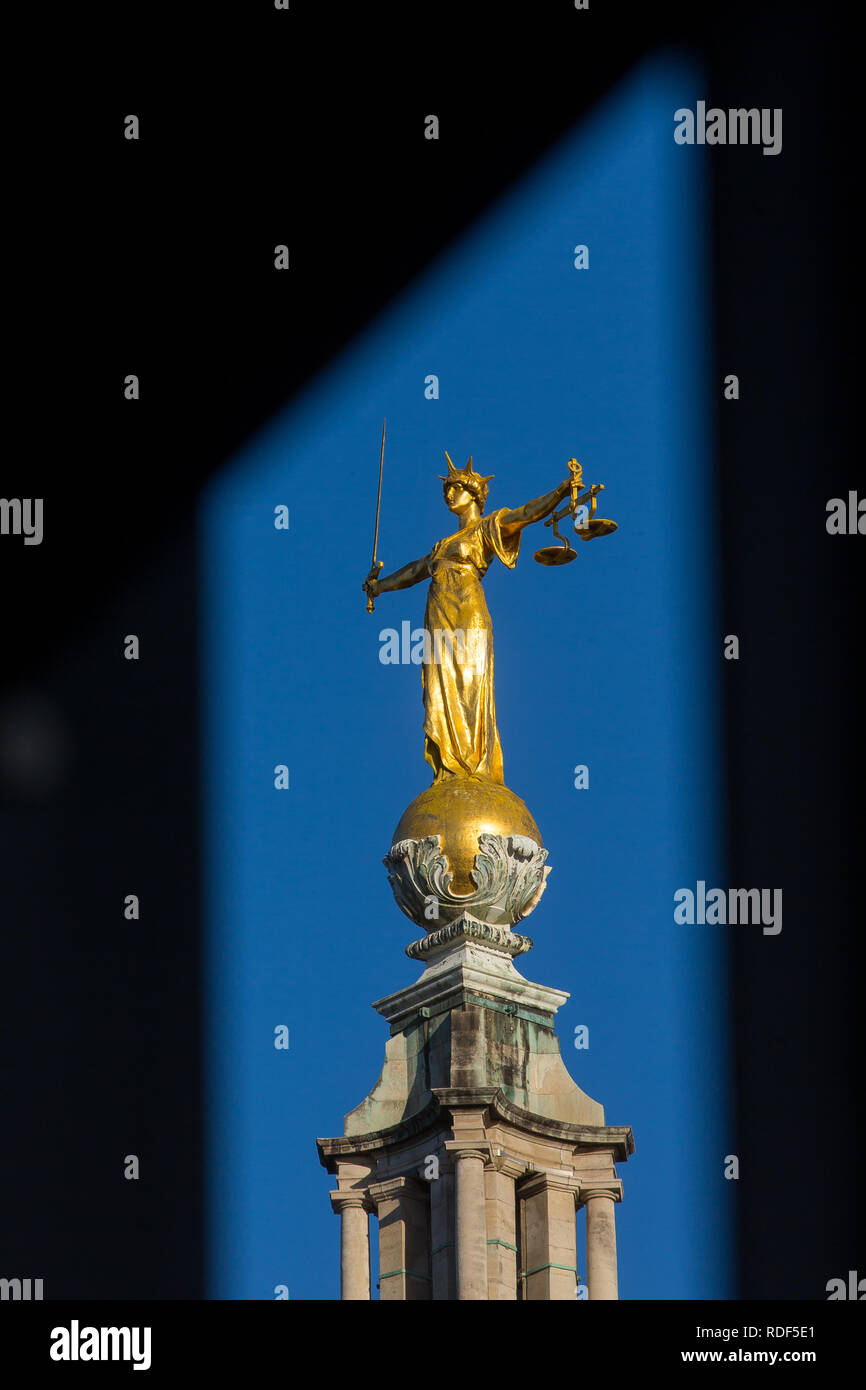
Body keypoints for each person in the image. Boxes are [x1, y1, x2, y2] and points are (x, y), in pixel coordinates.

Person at [363, 455, 574, 783]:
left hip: (468, 611)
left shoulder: (488, 526)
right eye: (447, 489)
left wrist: (561, 490)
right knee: (439, 685)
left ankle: (475, 765)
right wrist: (379, 586)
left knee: (470, 682)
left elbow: (528, 513)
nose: (449, 494)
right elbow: (415, 572)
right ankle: (448, 767)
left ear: (475, 494)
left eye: (457, 488)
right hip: (438, 614)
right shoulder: (441, 546)